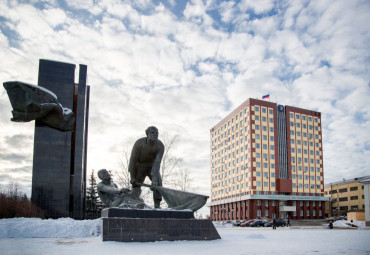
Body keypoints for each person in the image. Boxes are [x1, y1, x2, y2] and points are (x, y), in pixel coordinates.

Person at [128, 126, 164, 208]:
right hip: (140, 165)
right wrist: (132, 177)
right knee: (136, 185)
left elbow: (157, 163)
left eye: (157, 133)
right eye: (153, 132)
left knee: (158, 184)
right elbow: (133, 160)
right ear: (147, 133)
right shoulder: (139, 143)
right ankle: (134, 201)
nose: (155, 134)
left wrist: (154, 179)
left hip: (152, 166)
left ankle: (157, 204)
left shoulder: (160, 146)